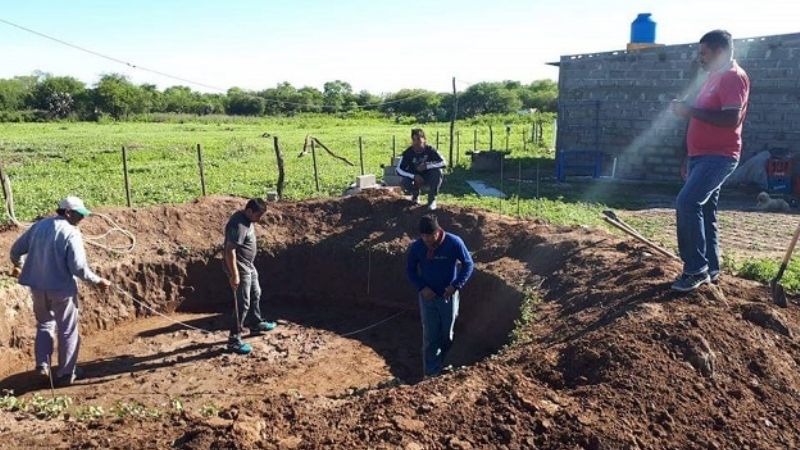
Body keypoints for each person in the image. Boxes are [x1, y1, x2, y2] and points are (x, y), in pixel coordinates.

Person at [670, 30, 750, 292]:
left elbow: (731, 119)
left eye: (703, 53)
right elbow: (699, 118)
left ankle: (695, 269)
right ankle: (711, 269)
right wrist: (687, 156)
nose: (699, 58)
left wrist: (689, 110)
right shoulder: (713, 78)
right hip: (700, 156)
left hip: (719, 156)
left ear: (720, 51)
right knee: (704, 211)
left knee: (687, 202)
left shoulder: (732, 78)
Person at [9, 196, 111, 386]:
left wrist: (19, 265)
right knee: (68, 330)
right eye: (80, 215)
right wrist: (98, 281)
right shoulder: (71, 232)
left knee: (45, 324)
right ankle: (66, 373)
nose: (82, 219)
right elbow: (78, 268)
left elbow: (15, 250)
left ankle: (42, 365)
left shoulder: (38, 226)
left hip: (37, 288)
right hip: (61, 290)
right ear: (68, 212)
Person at [406, 215, 473, 377]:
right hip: (427, 297)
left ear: (438, 231)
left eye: (430, 236)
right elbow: (410, 271)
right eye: (423, 236)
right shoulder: (417, 247)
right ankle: (430, 374)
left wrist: (455, 285)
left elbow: (468, 264)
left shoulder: (454, 242)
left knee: (446, 334)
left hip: (447, 296)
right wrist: (422, 288)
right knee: (430, 336)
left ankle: (443, 363)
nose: (427, 240)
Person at [224, 198, 276, 355]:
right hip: (240, 267)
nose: (259, 220)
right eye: (258, 215)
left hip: (248, 265)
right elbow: (229, 250)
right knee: (243, 302)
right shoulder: (238, 224)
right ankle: (234, 340)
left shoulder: (248, 221)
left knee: (255, 293)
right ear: (249, 211)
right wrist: (234, 275)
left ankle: (255, 323)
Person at [396, 128, 447, 210]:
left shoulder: (430, 150)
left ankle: (432, 200)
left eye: (419, 139)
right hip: (415, 179)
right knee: (405, 181)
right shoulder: (408, 153)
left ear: (424, 140)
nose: (416, 142)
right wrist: (413, 176)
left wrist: (428, 166)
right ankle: (415, 195)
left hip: (428, 177)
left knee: (438, 172)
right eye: (414, 140)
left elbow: (443, 162)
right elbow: (398, 169)